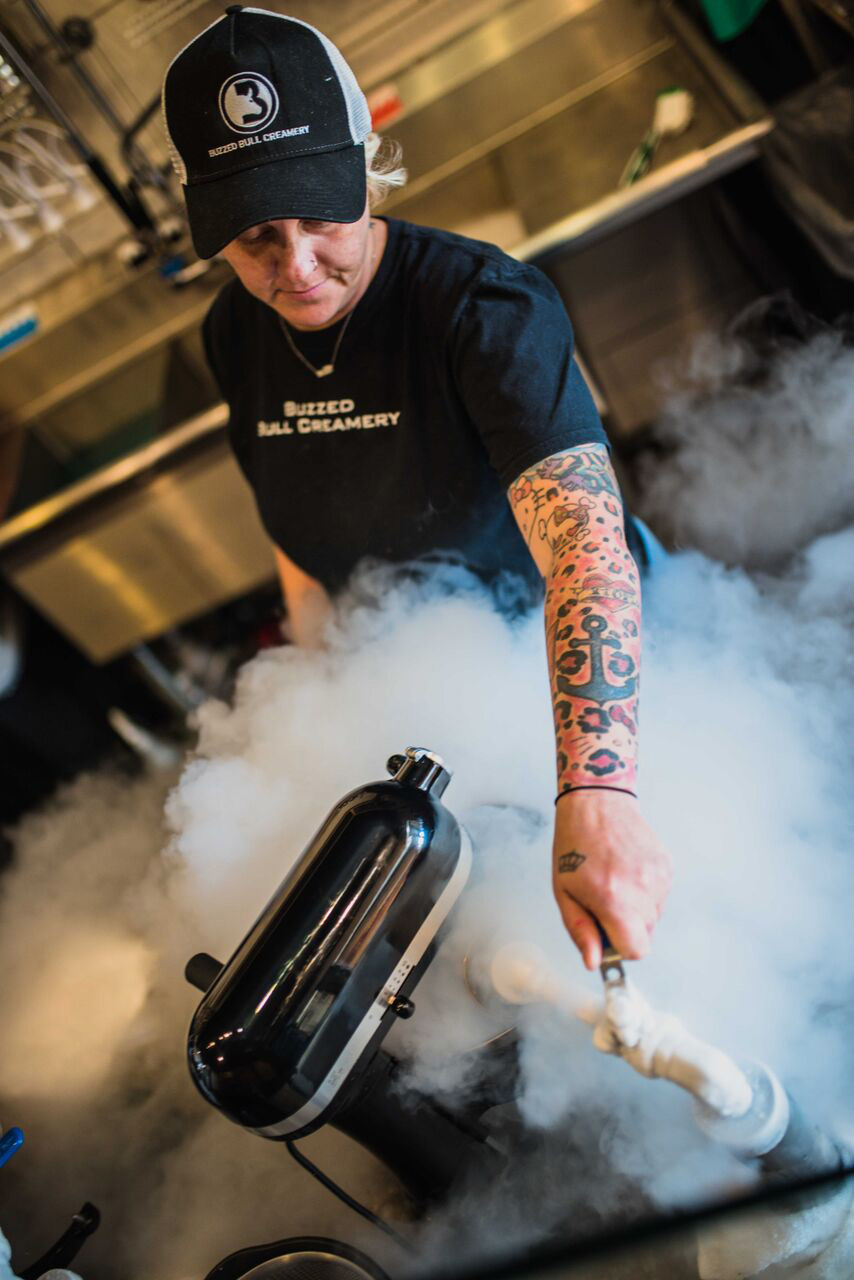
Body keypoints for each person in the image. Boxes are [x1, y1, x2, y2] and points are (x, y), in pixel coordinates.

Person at [161, 6, 672, 971]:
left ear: (367, 167)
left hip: (589, 700)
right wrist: (328, 710)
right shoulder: (234, 334)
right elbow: (298, 537)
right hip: (433, 696)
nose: (298, 267)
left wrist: (599, 795)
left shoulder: (484, 308)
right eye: (256, 236)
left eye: (321, 215)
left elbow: (586, 553)